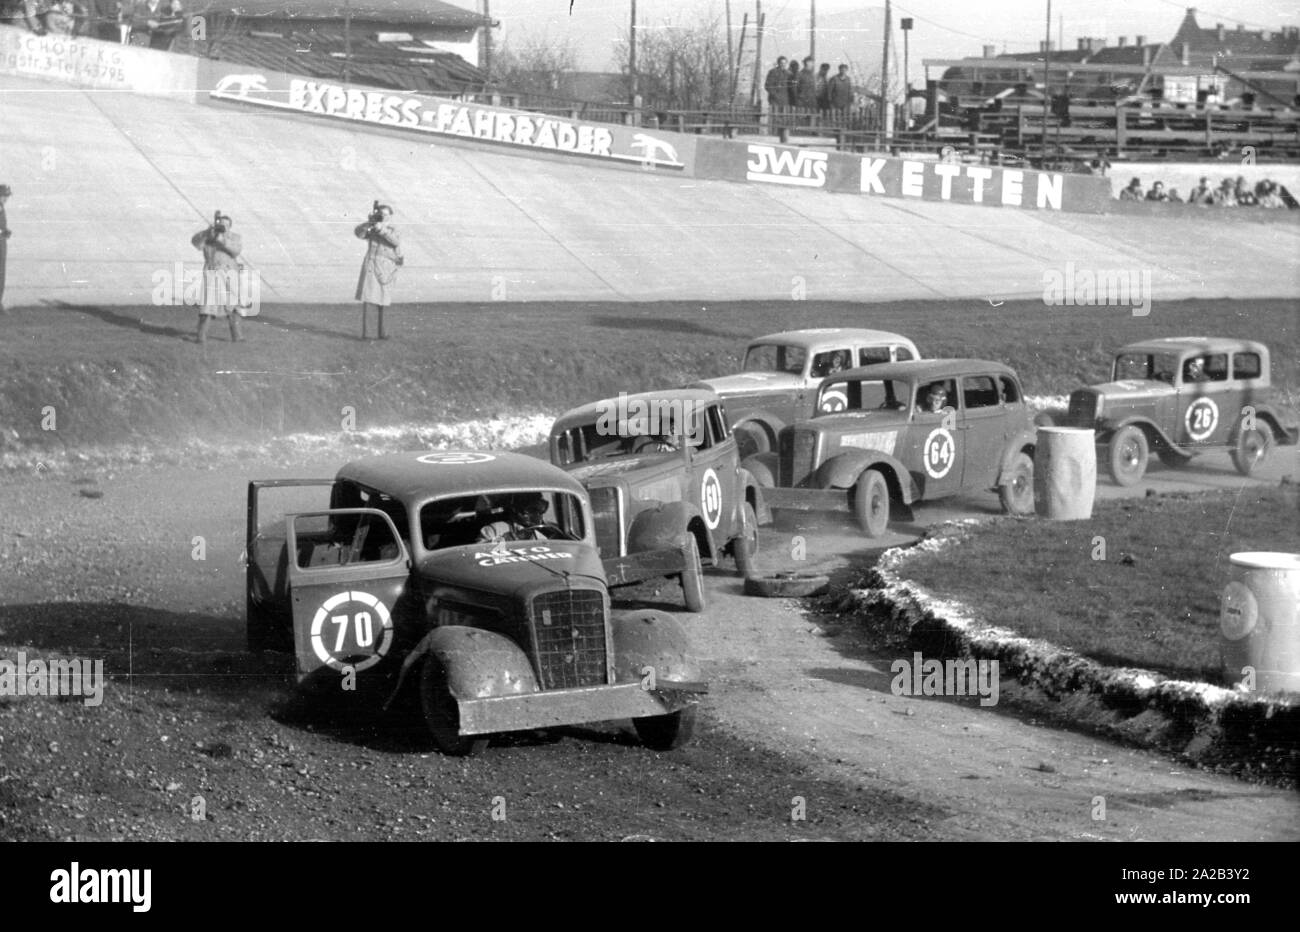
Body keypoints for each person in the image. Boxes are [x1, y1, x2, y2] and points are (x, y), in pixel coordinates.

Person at [190, 212, 244, 343]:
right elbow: (195, 243)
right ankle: (201, 336)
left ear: (230, 227)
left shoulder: (235, 237)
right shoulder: (208, 236)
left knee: (233, 305)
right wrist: (208, 232)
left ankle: (237, 336)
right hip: (212, 272)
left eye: (225, 225)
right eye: (220, 224)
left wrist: (221, 239)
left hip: (229, 273)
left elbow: (236, 250)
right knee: (207, 305)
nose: (222, 227)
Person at [355, 201, 403, 341]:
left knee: (383, 300)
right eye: (380, 214)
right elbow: (359, 234)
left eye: (385, 215)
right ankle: (369, 334)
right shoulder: (373, 227)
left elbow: (395, 242)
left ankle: (383, 333)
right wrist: (368, 225)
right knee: (369, 299)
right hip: (372, 265)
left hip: (386, 267)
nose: (383, 217)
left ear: (391, 216)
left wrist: (381, 229)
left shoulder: (394, 229)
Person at [479, 493, 552, 543]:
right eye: (531, 509)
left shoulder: (540, 538)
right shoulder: (494, 529)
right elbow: (477, 551)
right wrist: (507, 538)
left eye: (541, 511)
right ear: (517, 509)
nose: (538, 516)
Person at [0, 184, 9, 314]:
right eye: (5, 196)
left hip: (2, 241)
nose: (6, 198)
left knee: (1, 272)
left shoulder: (1, 207)